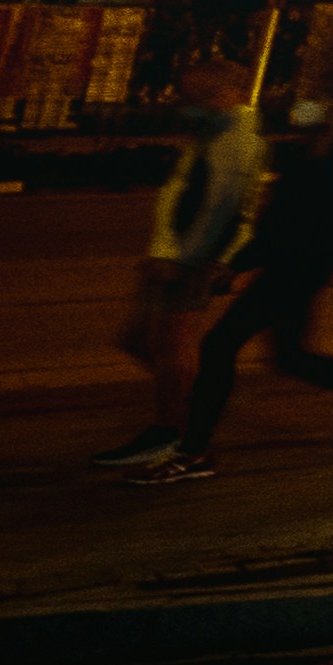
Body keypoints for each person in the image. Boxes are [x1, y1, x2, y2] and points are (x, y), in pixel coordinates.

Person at [135, 97, 333, 484]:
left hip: (291, 275)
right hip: (300, 274)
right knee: (291, 356)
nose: (327, 119)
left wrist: (238, 266)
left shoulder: (332, 170)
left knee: (220, 346)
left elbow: (286, 228)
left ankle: (194, 451)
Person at [101, 78, 268, 469]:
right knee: (142, 340)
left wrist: (183, 258)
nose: (189, 103)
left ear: (230, 93)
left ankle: (172, 430)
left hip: (193, 259)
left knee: (173, 342)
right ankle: (193, 407)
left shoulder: (236, 140)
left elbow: (221, 209)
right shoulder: (214, 134)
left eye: (200, 95)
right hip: (178, 254)